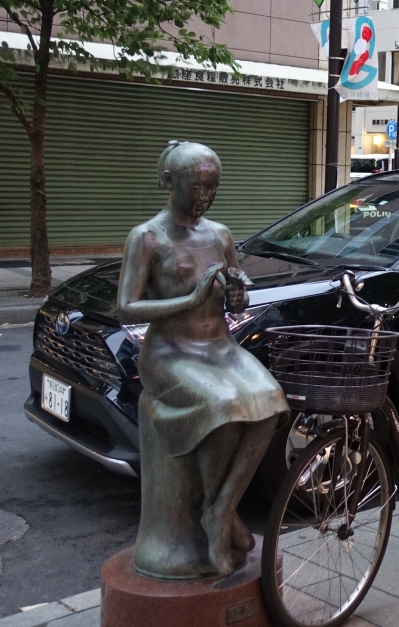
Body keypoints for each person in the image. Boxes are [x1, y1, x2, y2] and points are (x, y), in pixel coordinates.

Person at [118, 141, 288, 579]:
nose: (204, 197)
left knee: (270, 401)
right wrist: (190, 299)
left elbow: (234, 299)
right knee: (223, 410)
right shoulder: (147, 237)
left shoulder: (220, 235)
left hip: (219, 347)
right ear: (169, 181)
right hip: (170, 352)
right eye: (196, 187)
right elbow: (126, 308)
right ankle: (221, 517)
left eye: (212, 188)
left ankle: (220, 511)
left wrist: (237, 294)